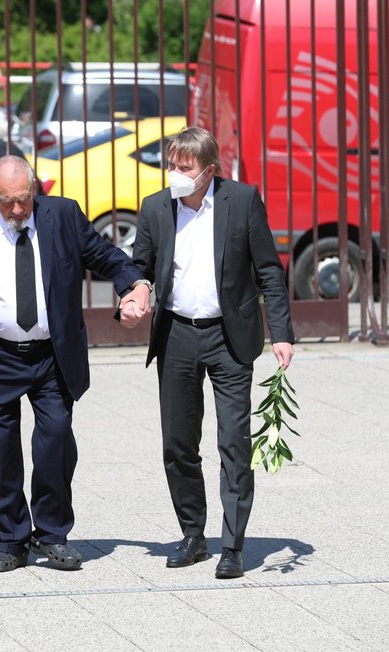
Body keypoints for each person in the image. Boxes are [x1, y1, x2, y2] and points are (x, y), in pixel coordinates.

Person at [0, 155, 149, 573]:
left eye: (24, 199)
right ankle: (10, 538)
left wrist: (134, 284)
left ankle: (51, 534)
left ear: (34, 191)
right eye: (8, 201)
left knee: (55, 442)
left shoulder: (61, 216)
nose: (16, 210)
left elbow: (105, 255)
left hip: (51, 355)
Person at [122, 127, 295, 579]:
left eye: (186, 168)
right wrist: (137, 292)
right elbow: (139, 267)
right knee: (178, 443)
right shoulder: (156, 208)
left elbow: (269, 272)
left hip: (229, 335)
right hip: (176, 334)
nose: (175, 175)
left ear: (209, 171)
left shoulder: (241, 202)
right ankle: (193, 535)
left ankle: (232, 544)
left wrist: (281, 333)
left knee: (234, 442)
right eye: (172, 166)